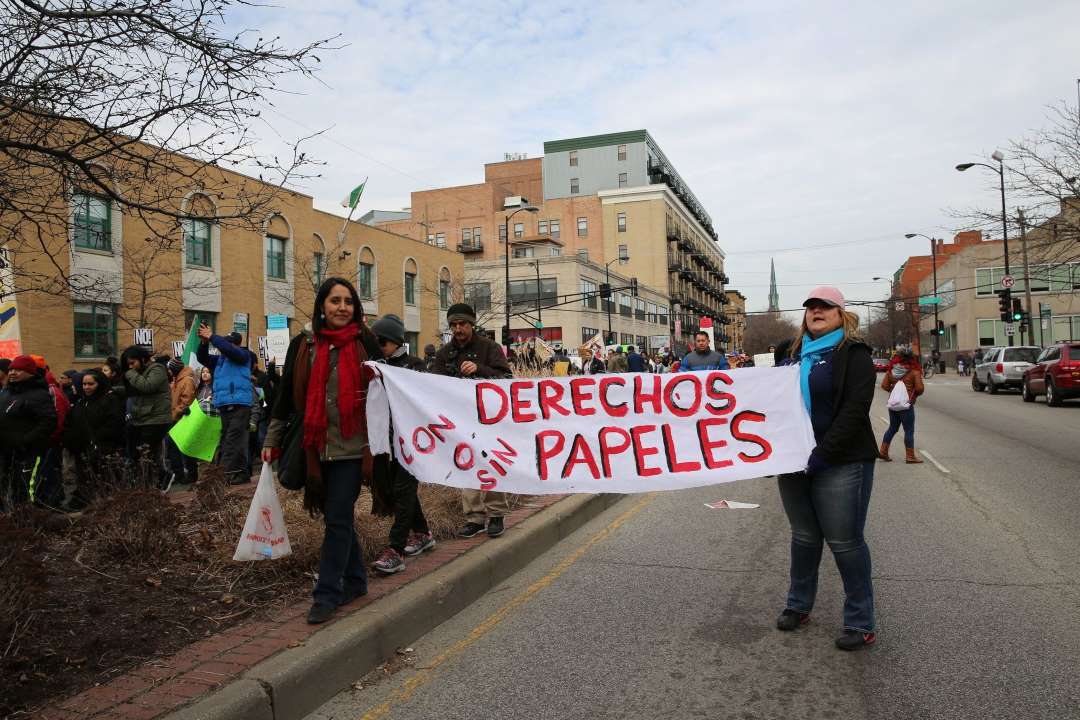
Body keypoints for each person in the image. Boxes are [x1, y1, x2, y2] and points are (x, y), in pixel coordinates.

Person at [262, 277, 381, 625]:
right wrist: (271, 441)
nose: (342, 307)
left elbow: (393, 386)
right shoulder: (303, 344)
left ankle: (327, 593)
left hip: (353, 447)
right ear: (322, 306)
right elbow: (284, 398)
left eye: (348, 301)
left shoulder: (366, 341)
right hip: (314, 447)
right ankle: (356, 581)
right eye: (335, 301)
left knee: (339, 517)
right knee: (336, 518)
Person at [776, 287, 878, 651]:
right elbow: (769, 405)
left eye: (825, 306)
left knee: (845, 542)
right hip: (793, 461)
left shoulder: (853, 354)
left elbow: (855, 410)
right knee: (803, 538)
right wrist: (764, 453)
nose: (816, 311)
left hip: (841, 460)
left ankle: (860, 621)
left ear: (841, 314)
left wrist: (823, 453)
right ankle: (798, 605)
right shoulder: (788, 353)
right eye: (810, 307)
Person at [431, 303, 513, 538]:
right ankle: (474, 517)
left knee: (490, 463)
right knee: (467, 465)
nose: (458, 329)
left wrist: (480, 369)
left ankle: (496, 514)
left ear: (472, 324)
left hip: (488, 418)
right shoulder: (445, 354)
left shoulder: (490, 348)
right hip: (460, 420)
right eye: (454, 325)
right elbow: (433, 384)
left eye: (462, 324)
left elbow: (507, 378)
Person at [369, 314, 434, 575]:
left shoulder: (415, 366)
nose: (379, 346)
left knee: (403, 491)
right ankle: (423, 533)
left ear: (396, 342)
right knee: (401, 492)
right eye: (376, 342)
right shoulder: (376, 366)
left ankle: (395, 549)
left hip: (412, 442)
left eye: (383, 341)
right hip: (388, 443)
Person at [196, 328, 257, 485]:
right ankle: (240, 474)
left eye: (228, 343)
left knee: (232, 440)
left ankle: (220, 477)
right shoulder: (219, 360)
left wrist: (212, 337)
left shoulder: (244, 355)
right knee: (228, 441)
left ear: (237, 344)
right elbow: (202, 357)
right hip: (224, 405)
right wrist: (204, 343)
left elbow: (229, 349)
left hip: (240, 404)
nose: (223, 346)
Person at [0, 356, 57, 511]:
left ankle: (32, 520)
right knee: (10, 488)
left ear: (30, 372)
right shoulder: (7, 393)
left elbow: (48, 422)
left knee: (27, 489)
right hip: (7, 452)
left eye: (18, 370)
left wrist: (25, 441)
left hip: (28, 453)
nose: (12, 373)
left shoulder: (38, 394)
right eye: (11, 369)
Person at [62, 368, 126, 503]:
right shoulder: (80, 403)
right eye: (84, 384)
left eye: (91, 384)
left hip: (103, 451)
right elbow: (69, 425)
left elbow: (114, 424)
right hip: (82, 452)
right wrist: (72, 442)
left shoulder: (109, 401)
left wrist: (97, 441)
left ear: (99, 384)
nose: (86, 387)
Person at [121, 345, 172, 488]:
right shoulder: (139, 373)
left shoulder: (157, 369)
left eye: (133, 363)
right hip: (141, 418)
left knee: (147, 452)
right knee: (139, 453)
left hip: (157, 418)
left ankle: (162, 478)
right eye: (128, 365)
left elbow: (147, 386)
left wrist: (129, 373)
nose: (131, 367)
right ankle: (148, 483)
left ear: (142, 359)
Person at [878, 346, 924, 464]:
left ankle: (883, 451)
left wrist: (894, 392)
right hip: (906, 405)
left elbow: (884, 385)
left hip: (893, 405)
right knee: (909, 430)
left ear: (898, 357)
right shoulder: (914, 371)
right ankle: (910, 456)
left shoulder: (891, 371)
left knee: (892, 428)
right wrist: (911, 394)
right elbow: (919, 389)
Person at [166, 358, 199, 486]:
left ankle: (190, 475)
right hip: (176, 418)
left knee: (184, 448)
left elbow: (186, 401)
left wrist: (174, 413)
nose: (168, 371)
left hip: (181, 419)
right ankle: (180, 475)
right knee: (175, 448)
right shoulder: (177, 380)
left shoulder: (186, 380)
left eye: (169, 369)